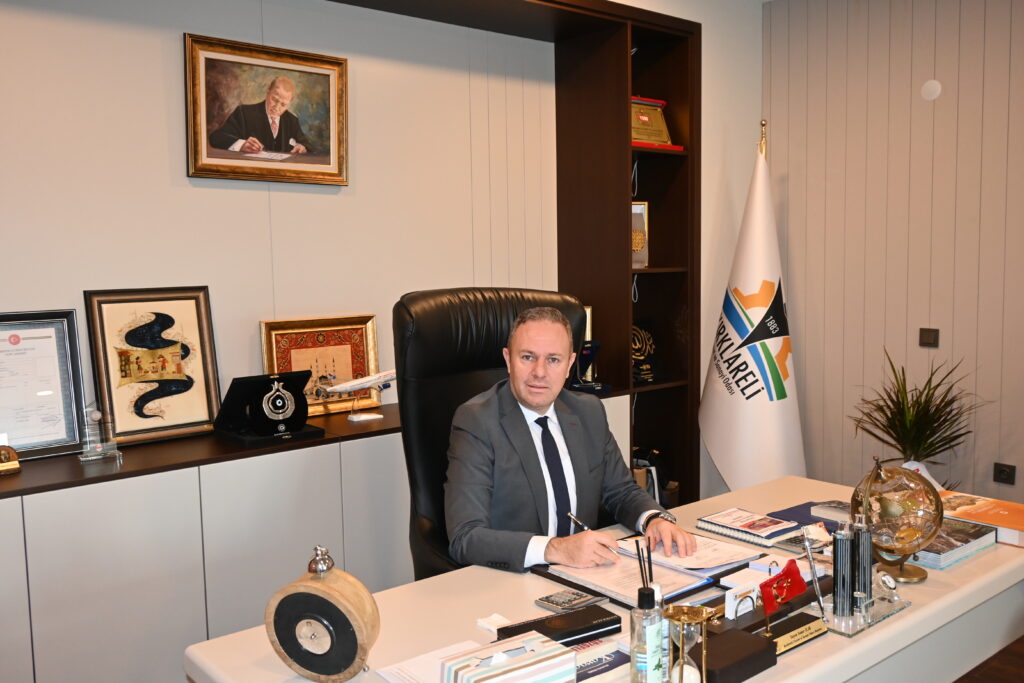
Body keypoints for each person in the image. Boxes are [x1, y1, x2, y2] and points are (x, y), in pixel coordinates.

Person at [445, 306, 696, 572]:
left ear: (569, 364)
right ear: (508, 360)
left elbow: (621, 491)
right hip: (514, 576)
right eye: (527, 357)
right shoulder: (476, 421)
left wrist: (654, 520)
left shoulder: (588, 411)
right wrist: (556, 549)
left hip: (586, 571)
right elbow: (465, 537)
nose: (539, 372)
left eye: (553, 359)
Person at [209, 76, 312, 155]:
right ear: (267, 92)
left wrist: (302, 147)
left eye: (283, 104)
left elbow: (308, 145)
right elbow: (216, 137)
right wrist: (241, 144)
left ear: (289, 104)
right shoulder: (244, 113)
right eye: (274, 99)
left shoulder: (292, 120)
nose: (277, 107)